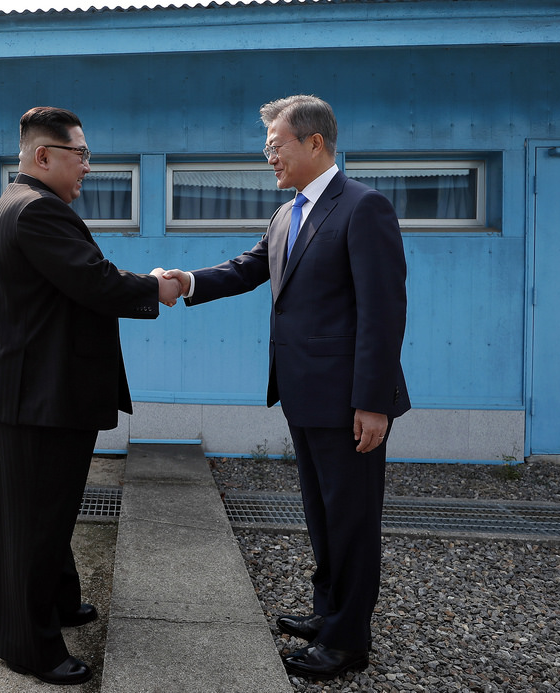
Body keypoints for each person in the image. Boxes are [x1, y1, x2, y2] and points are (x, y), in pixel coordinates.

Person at [162, 94, 410, 679]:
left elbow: (384, 311)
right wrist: (186, 281)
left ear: (314, 143)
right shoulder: (286, 215)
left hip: (350, 400)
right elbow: (248, 268)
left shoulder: (363, 207)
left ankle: (347, 642)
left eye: (276, 147)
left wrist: (373, 402)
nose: (269, 158)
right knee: (323, 515)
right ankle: (329, 614)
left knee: (351, 519)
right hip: (304, 395)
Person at [0, 106, 180, 685]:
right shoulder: (38, 211)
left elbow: (78, 283)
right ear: (44, 156)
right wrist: (156, 288)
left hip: (39, 394)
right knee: (33, 527)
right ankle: (27, 646)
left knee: (52, 514)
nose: (88, 166)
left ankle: (62, 602)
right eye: (81, 155)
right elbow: (95, 281)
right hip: (37, 401)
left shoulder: (23, 204)